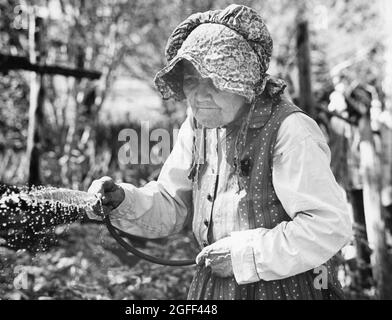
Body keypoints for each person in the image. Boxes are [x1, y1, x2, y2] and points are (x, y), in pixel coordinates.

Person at [88, 4, 352, 300]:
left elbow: (329, 225)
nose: (199, 96)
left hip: (288, 289)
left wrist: (245, 255)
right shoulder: (198, 126)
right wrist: (124, 200)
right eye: (190, 82)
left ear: (244, 79)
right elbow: (173, 205)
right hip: (217, 289)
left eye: (213, 81)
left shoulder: (290, 129)